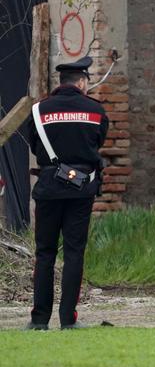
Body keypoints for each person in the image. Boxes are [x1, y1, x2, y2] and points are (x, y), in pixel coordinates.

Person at [25, 56, 108, 330]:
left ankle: (39, 320)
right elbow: (98, 142)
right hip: (81, 190)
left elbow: (36, 149)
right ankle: (67, 319)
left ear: (60, 82)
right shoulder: (95, 111)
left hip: (49, 188)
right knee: (74, 253)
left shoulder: (39, 111)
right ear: (82, 81)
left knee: (45, 254)